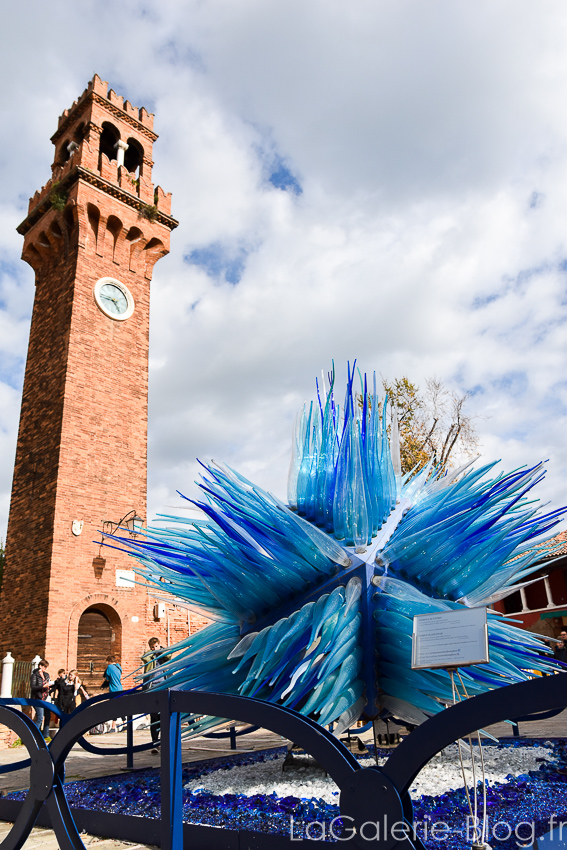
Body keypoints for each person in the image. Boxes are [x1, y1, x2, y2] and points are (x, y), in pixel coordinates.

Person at [142, 637, 171, 754]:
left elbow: (169, 656)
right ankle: (155, 742)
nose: (155, 649)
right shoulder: (149, 656)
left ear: (160, 645)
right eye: (152, 647)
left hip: (164, 687)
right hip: (152, 688)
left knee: (164, 716)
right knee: (154, 717)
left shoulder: (164, 655)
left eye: (156, 646)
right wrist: (153, 652)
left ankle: (164, 742)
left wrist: (161, 651)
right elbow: (144, 658)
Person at [30, 659, 51, 739]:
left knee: (47, 716)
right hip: (37, 698)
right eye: (44, 667)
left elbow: (48, 683)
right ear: (40, 666)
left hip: (45, 698)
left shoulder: (46, 675)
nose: (45, 668)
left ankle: (45, 735)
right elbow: (33, 687)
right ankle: (33, 736)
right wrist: (42, 686)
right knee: (40, 717)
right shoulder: (35, 675)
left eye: (46, 667)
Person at [104, 655, 123, 732]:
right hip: (120, 688)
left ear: (109, 661)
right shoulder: (119, 666)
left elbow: (107, 678)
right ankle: (124, 724)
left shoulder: (109, 667)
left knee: (114, 708)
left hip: (113, 690)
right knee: (119, 707)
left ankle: (113, 727)